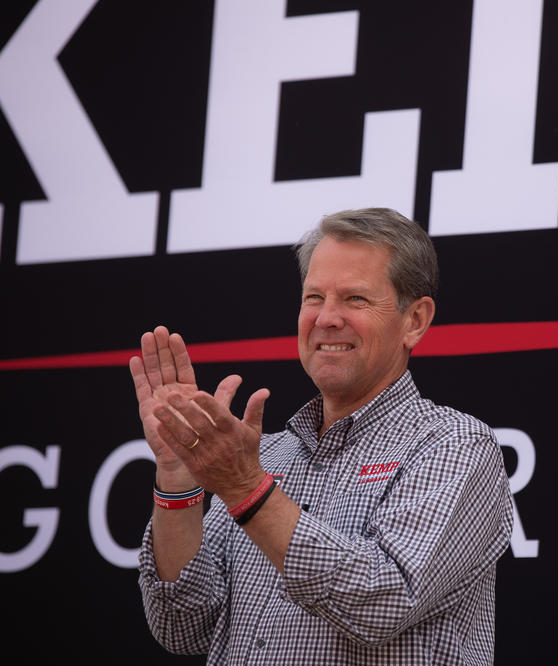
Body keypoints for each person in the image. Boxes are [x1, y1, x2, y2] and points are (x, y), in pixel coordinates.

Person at [132, 208, 513, 665]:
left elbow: (381, 602)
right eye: (314, 297)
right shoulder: (266, 455)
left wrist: (247, 491)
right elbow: (181, 625)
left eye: (355, 299)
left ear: (415, 320)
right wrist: (177, 478)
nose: (327, 319)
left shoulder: (454, 445)